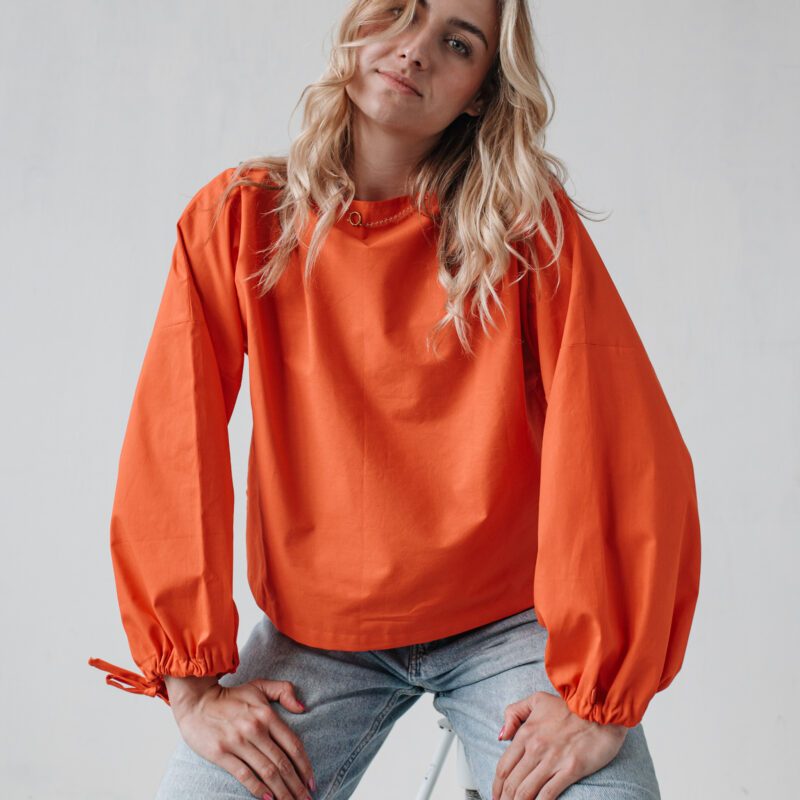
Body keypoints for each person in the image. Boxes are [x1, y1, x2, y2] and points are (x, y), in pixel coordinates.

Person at [89, 1, 701, 799]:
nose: (414, 51)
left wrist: (602, 705)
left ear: (481, 94)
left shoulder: (522, 227)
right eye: (400, 12)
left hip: (511, 623)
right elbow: (173, 444)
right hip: (318, 634)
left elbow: (620, 435)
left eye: (457, 43)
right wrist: (191, 688)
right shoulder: (240, 218)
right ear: (358, 23)